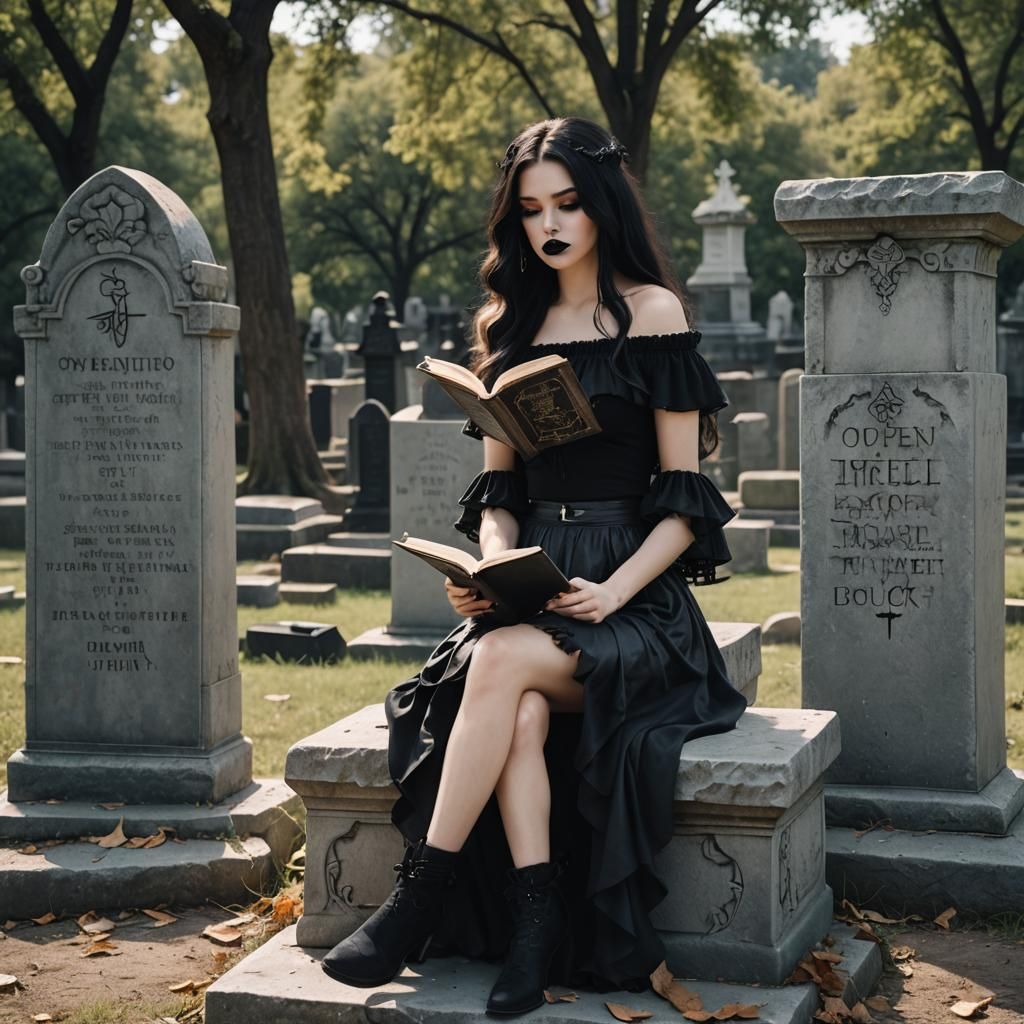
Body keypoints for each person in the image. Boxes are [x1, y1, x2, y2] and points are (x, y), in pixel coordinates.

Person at [321, 116, 748, 1013]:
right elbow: (499, 496)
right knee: (511, 702)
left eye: (567, 204)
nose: (548, 224)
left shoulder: (652, 314)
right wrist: (489, 569)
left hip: (634, 603)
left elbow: (685, 504)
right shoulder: (507, 328)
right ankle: (532, 930)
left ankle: (416, 898)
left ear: (602, 206)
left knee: (498, 664)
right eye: (529, 209)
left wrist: (613, 591)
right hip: (531, 590)